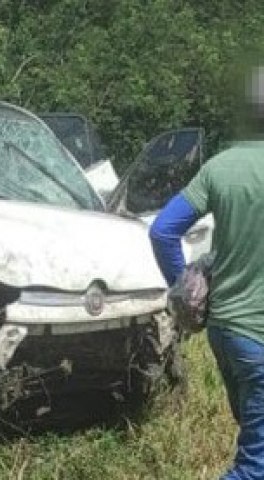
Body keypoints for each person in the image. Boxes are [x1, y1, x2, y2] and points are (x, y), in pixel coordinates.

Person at [149, 67, 264, 480]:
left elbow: (163, 231)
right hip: (259, 338)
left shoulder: (222, 166)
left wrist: (188, 291)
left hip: (227, 332)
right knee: (255, 468)